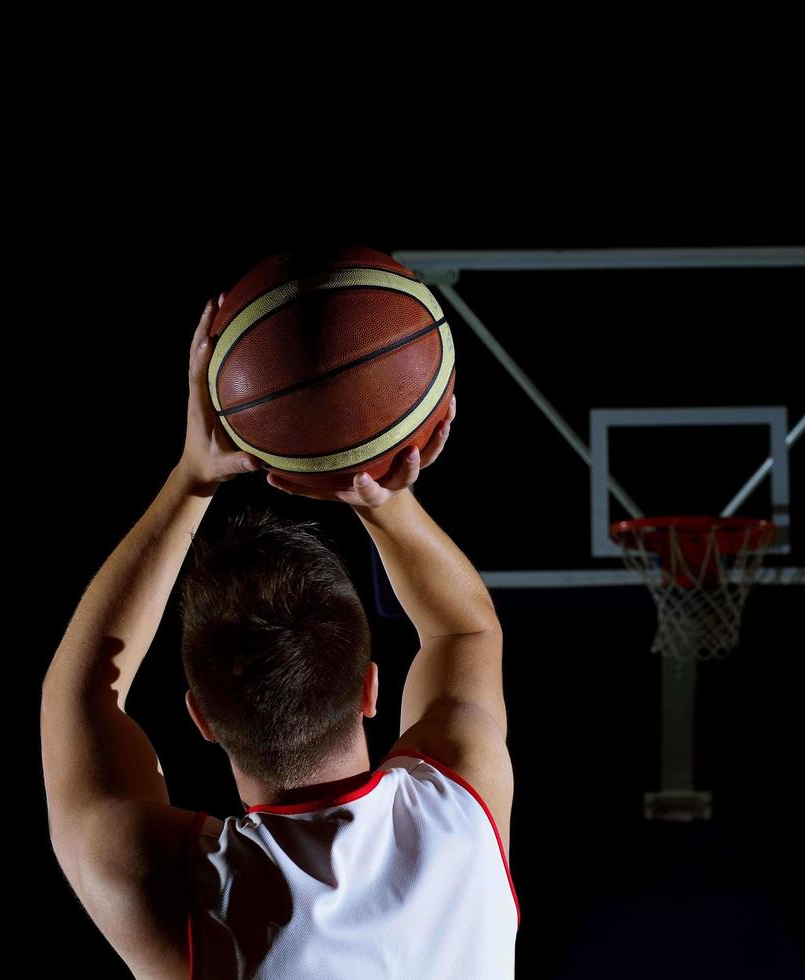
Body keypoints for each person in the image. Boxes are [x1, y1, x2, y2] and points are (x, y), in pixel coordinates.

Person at [42, 292, 513, 979]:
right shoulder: (459, 810)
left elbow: (76, 697)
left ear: (200, 716)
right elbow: (465, 626)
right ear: (369, 686)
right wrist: (383, 497)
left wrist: (189, 482)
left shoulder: (172, 893)